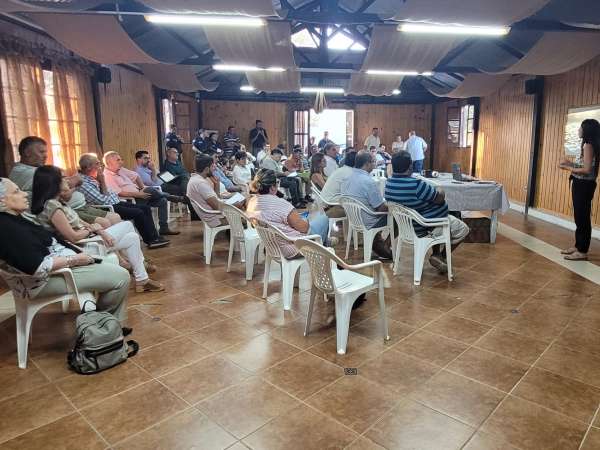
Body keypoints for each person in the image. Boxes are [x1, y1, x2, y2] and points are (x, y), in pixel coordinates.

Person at [0, 178, 130, 323]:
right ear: (2, 201)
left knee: (113, 262)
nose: (24, 194)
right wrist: (74, 259)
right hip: (48, 280)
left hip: (60, 266)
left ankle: (103, 323)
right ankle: (104, 326)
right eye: (17, 192)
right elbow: (37, 267)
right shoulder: (7, 228)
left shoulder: (14, 219)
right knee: (121, 277)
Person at [31, 166, 163, 293]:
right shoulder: (52, 207)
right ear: (54, 183)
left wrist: (101, 231)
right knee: (127, 225)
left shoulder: (57, 203)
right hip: (83, 247)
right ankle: (137, 266)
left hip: (91, 240)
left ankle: (142, 280)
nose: (67, 181)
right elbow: (73, 237)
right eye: (64, 178)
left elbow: (79, 221)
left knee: (132, 238)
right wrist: (92, 230)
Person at [386, 151, 469, 272]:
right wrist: (440, 189)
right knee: (463, 229)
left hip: (406, 227)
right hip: (424, 226)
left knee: (437, 213)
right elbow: (440, 199)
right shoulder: (416, 185)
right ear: (410, 166)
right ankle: (439, 256)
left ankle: (438, 255)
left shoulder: (389, 183)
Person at [9, 136, 119, 227]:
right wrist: (75, 182)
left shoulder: (36, 169)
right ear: (27, 152)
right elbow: (63, 193)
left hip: (79, 206)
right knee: (107, 223)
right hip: (66, 211)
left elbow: (64, 184)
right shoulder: (24, 172)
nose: (45, 155)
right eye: (41, 152)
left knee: (116, 218)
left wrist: (72, 183)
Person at [77, 153, 169, 249]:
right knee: (138, 212)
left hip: (116, 202)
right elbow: (103, 200)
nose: (100, 166)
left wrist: (103, 185)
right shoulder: (84, 183)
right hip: (107, 208)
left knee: (145, 208)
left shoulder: (95, 177)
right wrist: (102, 182)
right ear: (88, 167)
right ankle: (150, 240)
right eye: (97, 164)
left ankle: (155, 237)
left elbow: (110, 193)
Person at [246, 169, 333, 258]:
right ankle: (324, 248)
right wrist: (305, 221)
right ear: (272, 187)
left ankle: (325, 243)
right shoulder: (280, 204)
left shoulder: (252, 202)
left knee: (312, 221)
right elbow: (304, 228)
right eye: (277, 182)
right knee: (323, 218)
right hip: (292, 247)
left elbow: (273, 220)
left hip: (272, 245)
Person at [103, 151, 180, 236]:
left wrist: (142, 187)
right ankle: (174, 198)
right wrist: (139, 194)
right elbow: (120, 193)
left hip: (142, 194)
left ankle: (164, 228)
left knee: (163, 201)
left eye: (121, 159)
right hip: (132, 200)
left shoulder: (120, 170)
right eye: (118, 160)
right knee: (151, 190)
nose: (121, 162)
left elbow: (135, 176)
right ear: (109, 162)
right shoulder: (107, 176)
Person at [559, 118, 600, 261]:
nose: (578, 130)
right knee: (579, 216)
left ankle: (582, 251)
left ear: (587, 130)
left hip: (583, 185)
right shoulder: (588, 145)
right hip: (583, 184)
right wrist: (570, 163)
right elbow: (584, 165)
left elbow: (587, 169)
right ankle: (578, 246)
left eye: (581, 128)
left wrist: (567, 167)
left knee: (582, 217)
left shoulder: (588, 145)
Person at [342, 151, 392, 259]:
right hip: (368, 221)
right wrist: (392, 206)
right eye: (374, 161)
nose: (375, 164)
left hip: (354, 218)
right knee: (397, 217)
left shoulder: (346, 178)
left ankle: (378, 244)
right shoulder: (368, 181)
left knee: (375, 209)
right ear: (367, 164)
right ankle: (385, 246)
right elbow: (381, 208)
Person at [187, 154, 244, 228]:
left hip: (215, 215)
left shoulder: (195, 179)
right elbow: (217, 206)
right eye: (212, 166)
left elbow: (216, 200)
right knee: (246, 219)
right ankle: (235, 236)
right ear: (207, 169)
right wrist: (235, 205)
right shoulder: (200, 183)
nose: (214, 168)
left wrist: (217, 186)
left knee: (241, 204)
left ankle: (232, 233)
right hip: (216, 219)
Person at [321, 151, 356, 218]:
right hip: (330, 201)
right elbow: (349, 193)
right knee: (357, 203)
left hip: (325, 199)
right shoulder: (349, 173)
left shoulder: (342, 169)